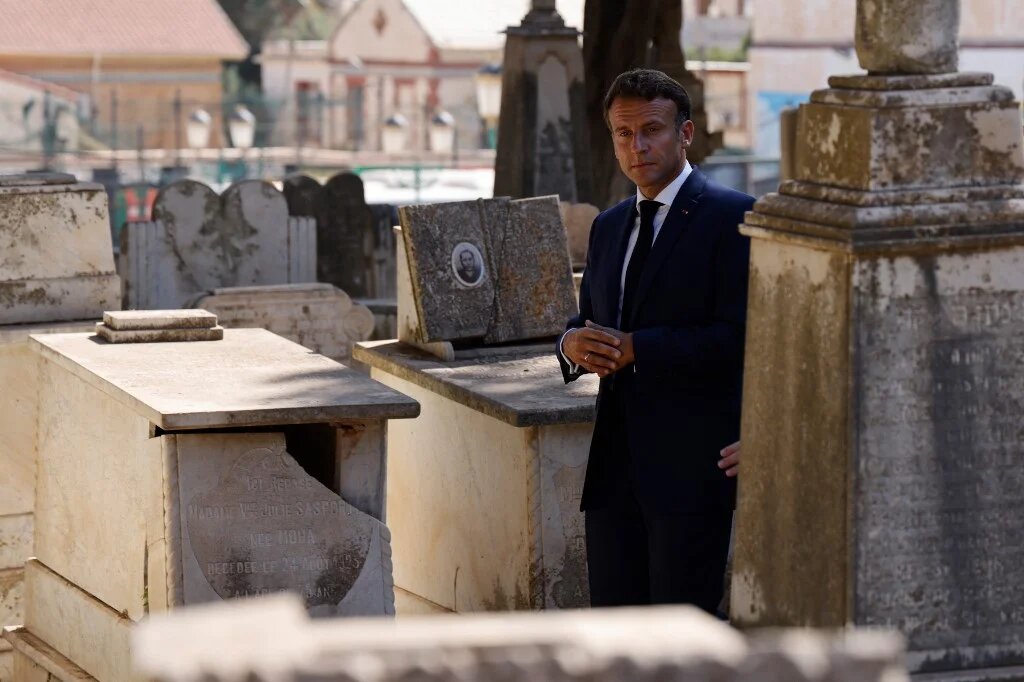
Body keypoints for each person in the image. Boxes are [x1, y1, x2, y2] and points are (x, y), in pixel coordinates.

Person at [556, 68, 753, 613]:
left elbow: (743, 337)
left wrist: (641, 347)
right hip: (613, 472)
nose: (637, 146)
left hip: (693, 468)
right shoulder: (608, 225)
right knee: (615, 634)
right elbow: (587, 320)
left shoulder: (734, 217)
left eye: (652, 130)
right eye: (624, 133)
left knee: (681, 636)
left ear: (685, 133)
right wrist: (570, 345)